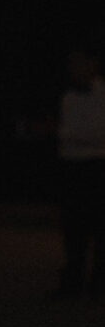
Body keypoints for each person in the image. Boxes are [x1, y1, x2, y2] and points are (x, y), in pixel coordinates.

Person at [55, 46, 105, 298]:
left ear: (92, 64)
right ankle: (72, 282)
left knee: (99, 227)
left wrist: (59, 133)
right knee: (73, 228)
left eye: (78, 64)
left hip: (96, 166)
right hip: (72, 167)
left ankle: (97, 284)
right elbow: (69, 138)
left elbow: (98, 135)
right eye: (71, 64)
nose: (73, 70)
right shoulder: (69, 97)